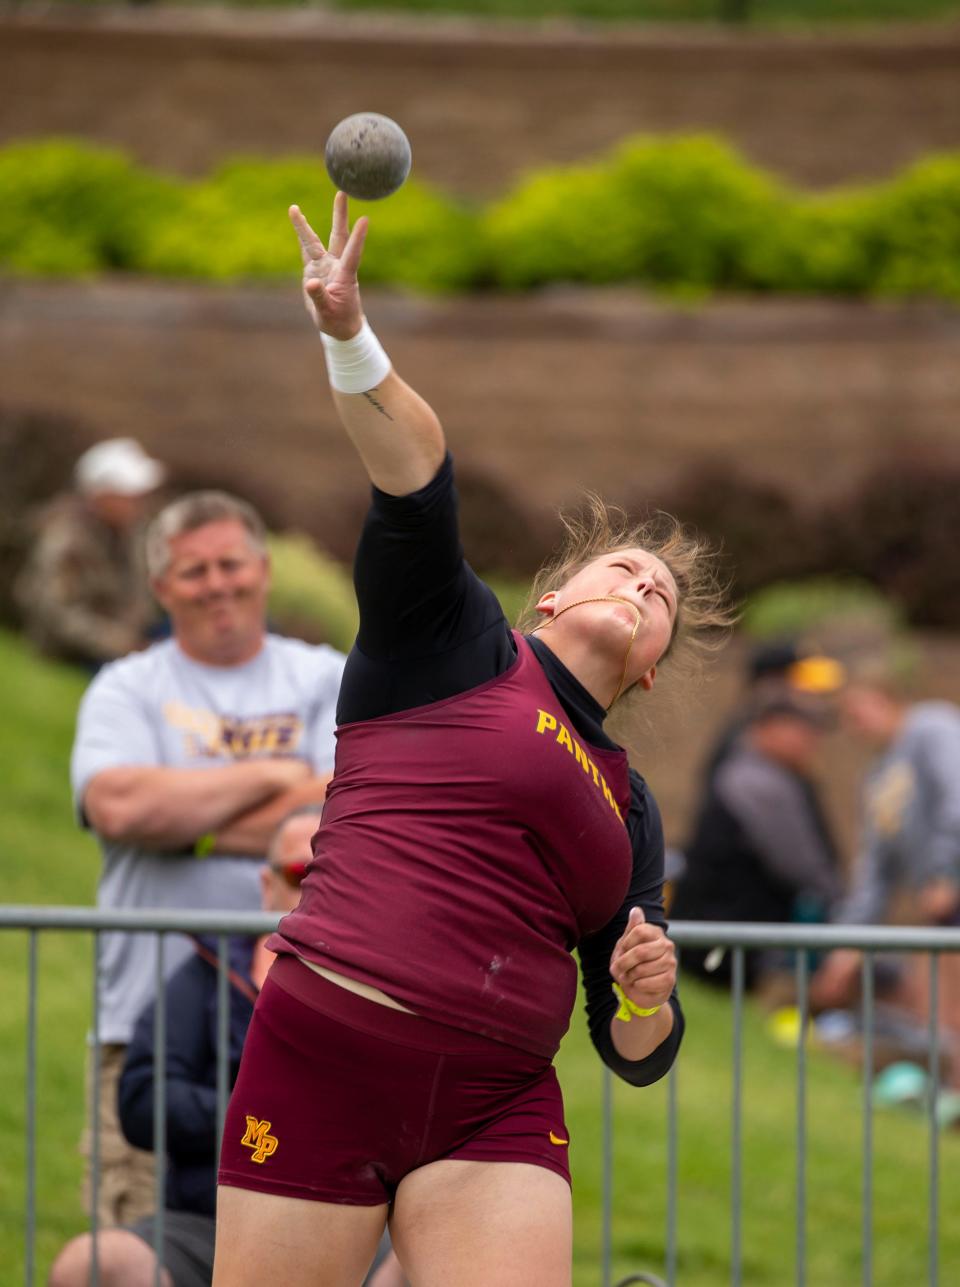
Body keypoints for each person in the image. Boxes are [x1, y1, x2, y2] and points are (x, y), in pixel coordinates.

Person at [211, 193, 730, 1287]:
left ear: (648, 669)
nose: (644, 583)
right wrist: (349, 334)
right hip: (329, 1051)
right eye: (624, 567)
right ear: (551, 600)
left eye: (665, 599)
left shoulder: (630, 802)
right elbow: (415, 476)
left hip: (496, 1101)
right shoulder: (454, 644)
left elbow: (633, 1052)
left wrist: (648, 994)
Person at [70, 489, 345, 1228]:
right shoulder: (125, 687)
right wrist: (275, 778)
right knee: (135, 1243)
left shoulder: (326, 677)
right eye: (193, 571)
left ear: (262, 569)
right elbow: (120, 807)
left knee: (304, 1242)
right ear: (161, 587)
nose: (217, 583)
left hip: (312, 1022)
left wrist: (184, 818)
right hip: (146, 1027)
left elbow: (343, 815)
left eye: (231, 563)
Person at [48, 808, 407, 1287]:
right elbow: (143, 1098)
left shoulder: (388, 991)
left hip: (353, 1220)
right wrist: (259, 1115)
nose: (313, 889)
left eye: (333, 873)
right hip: (206, 1223)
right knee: (93, 1264)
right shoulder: (206, 975)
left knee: (436, 1262)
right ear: (266, 887)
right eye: (300, 872)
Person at [812, 659, 960, 1021]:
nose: (851, 726)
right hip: (944, 911)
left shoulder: (932, 727)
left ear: (883, 697)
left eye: (854, 709)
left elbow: (958, 796)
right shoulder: (877, 776)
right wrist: (847, 945)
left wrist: (947, 873)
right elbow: (874, 871)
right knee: (944, 1017)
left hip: (950, 889)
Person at [671, 692, 841, 990]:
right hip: (729, 950)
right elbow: (803, 866)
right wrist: (845, 911)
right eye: (802, 728)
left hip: (729, 943)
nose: (812, 739)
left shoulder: (759, 773)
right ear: (769, 727)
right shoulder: (757, 781)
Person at [15, 437, 166, 668]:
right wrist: (124, 644)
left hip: (125, 635)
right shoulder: (66, 539)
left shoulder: (132, 532)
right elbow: (58, 616)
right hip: (76, 652)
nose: (139, 500)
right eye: (129, 493)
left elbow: (140, 596)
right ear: (100, 496)